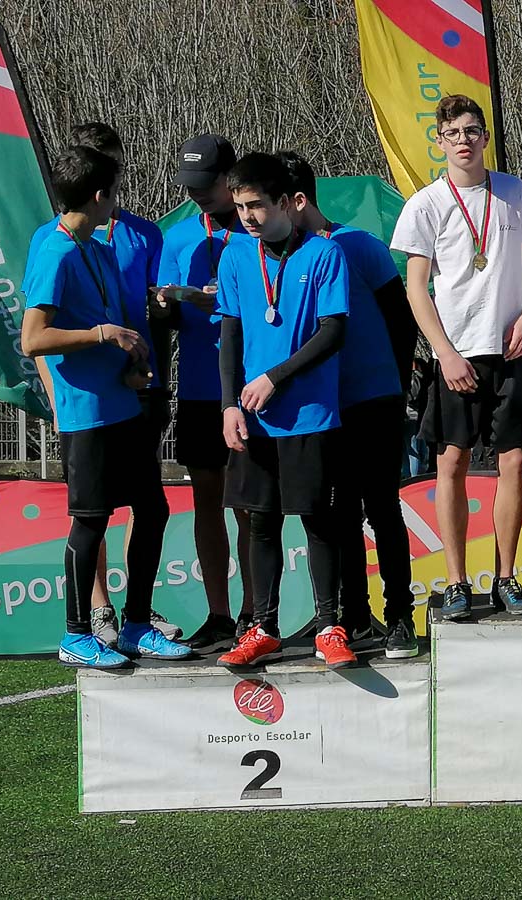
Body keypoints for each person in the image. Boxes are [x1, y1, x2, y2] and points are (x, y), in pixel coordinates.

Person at [21, 146, 191, 667]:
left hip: (123, 403)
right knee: (91, 521)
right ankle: (76, 634)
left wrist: (132, 363)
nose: (116, 201)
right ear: (99, 196)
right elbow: (32, 338)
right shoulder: (55, 252)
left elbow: (120, 322)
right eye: (114, 192)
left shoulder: (98, 249)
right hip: (85, 412)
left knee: (153, 509)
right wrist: (101, 334)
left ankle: (137, 624)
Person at [391, 94, 522, 620]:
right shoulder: (425, 204)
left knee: (514, 462)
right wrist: (444, 353)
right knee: (451, 461)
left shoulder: (514, 192)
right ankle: (456, 581)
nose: (463, 140)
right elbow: (416, 288)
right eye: (453, 133)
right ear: (439, 141)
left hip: (510, 348)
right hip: (455, 354)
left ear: (485, 137)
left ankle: (506, 576)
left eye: (472, 131)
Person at [214, 152, 356, 670]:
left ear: (285, 202)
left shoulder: (324, 253)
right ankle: (263, 627)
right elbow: (230, 334)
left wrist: (275, 377)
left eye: (256, 206)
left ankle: (329, 625)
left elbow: (333, 332)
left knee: (318, 520)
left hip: (310, 414)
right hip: (253, 416)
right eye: (240, 207)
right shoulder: (235, 255)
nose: (248, 217)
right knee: (260, 521)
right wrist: (229, 404)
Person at [279, 150, 419, 659]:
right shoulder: (282, 259)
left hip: (374, 398)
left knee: (381, 507)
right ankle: (351, 616)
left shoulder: (358, 245)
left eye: (272, 202)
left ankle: (400, 616)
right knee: (336, 514)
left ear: (297, 201)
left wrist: (394, 389)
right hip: (320, 407)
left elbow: (401, 322)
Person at [154, 134, 254, 651]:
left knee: (250, 505)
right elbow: (168, 317)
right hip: (198, 387)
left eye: (206, 184)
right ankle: (219, 614)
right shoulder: (178, 238)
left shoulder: (257, 228)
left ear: (229, 178)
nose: (197, 194)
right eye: (189, 185)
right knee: (207, 500)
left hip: (250, 387)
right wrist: (169, 304)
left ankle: (256, 612)